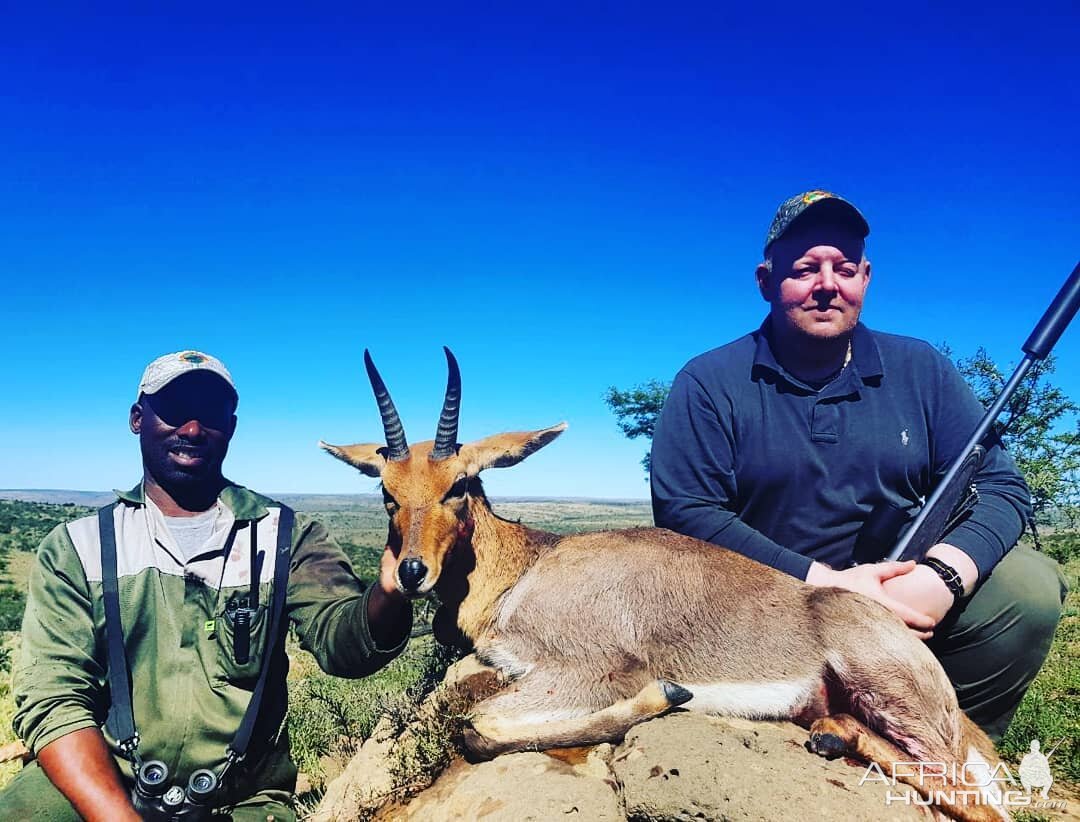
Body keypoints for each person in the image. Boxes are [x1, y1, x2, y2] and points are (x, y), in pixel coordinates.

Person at [650, 190, 1068, 741]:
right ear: (766, 281)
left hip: (903, 603)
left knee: (1029, 586)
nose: (828, 284)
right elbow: (687, 512)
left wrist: (938, 578)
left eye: (845, 268)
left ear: (865, 278)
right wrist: (829, 588)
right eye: (805, 268)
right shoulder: (708, 382)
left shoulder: (922, 369)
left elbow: (1000, 486)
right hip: (767, 608)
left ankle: (957, 746)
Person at [2, 350, 413, 821]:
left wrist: (389, 594)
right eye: (175, 411)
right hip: (108, 780)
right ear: (138, 419)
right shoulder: (79, 546)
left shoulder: (288, 537)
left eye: (210, 415)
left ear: (231, 427)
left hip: (240, 798)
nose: (193, 430)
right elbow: (53, 697)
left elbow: (346, 648)